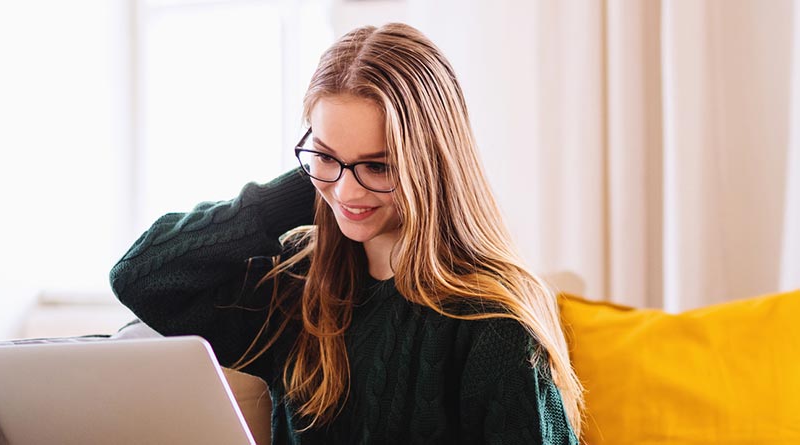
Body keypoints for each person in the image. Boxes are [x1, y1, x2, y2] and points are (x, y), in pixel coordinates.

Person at [111, 23, 583, 444]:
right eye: (325, 155)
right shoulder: (298, 286)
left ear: (433, 165)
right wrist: (315, 185)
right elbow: (141, 275)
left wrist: (336, 170)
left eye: (378, 165)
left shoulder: (492, 323)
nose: (348, 191)